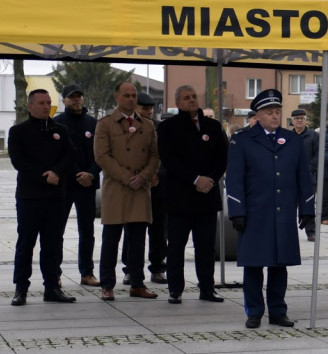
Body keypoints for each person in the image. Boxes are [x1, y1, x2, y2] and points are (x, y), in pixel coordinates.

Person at [226, 89, 315, 328]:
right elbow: (234, 179)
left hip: (283, 213)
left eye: (277, 112)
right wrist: (237, 211)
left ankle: (278, 311)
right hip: (254, 214)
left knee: (279, 265)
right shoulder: (243, 140)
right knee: (253, 265)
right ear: (258, 115)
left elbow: (303, 177)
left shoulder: (292, 140)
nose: (275, 116)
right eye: (269, 112)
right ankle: (254, 311)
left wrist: (307, 209)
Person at [156, 85, 229, 305]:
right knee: (176, 246)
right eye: (186, 97)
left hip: (207, 197)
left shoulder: (213, 126)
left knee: (206, 247)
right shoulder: (168, 127)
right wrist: (195, 179)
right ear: (177, 102)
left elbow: (222, 157)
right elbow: (169, 160)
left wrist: (211, 179)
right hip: (180, 197)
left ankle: (207, 288)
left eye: (194, 96)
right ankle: (175, 289)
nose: (192, 100)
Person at [8, 89, 77, 306]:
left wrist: (57, 172)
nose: (46, 106)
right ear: (30, 106)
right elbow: (18, 161)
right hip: (29, 197)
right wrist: (43, 176)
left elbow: (70, 154)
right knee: (26, 243)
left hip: (55, 197)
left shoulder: (60, 130)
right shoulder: (18, 131)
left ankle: (52, 287)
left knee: (52, 244)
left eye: (48, 102)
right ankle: (21, 288)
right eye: (41, 103)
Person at [94, 81, 161, 301]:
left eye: (133, 95)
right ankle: (107, 284)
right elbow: (102, 156)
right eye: (126, 95)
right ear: (117, 97)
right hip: (116, 187)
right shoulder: (105, 124)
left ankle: (137, 284)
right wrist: (126, 177)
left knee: (138, 240)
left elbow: (155, 156)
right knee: (111, 240)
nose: (131, 99)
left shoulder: (148, 125)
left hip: (140, 188)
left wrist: (144, 177)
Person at [53, 83, 101, 287]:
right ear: (64, 100)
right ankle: (55, 273)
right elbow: (58, 155)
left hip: (87, 184)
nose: (76, 99)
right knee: (57, 231)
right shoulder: (56, 123)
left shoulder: (93, 123)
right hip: (64, 185)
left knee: (87, 232)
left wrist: (91, 173)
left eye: (79, 96)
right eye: (72, 97)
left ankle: (87, 273)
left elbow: (101, 153)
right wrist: (76, 174)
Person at [120, 92, 167, 286]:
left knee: (159, 230)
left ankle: (158, 268)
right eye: (144, 108)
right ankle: (130, 269)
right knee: (132, 229)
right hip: (135, 185)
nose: (148, 112)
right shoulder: (126, 127)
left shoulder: (159, 128)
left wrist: (157, 174)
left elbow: (165, 155)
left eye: (150, 109)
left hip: (157, 186)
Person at [290, 108, 320, 240]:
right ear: (292, 121)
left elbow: (318, 155)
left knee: (308, 204)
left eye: (302, 118)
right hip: (290, 178)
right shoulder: (287, 136)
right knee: (289, 205)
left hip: (309, 177)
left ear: (306, 120)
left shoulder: (314, 136)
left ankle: (311, 232)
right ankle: (289, 231)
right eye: (296, 118)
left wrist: (307, 169)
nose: (299, 120)